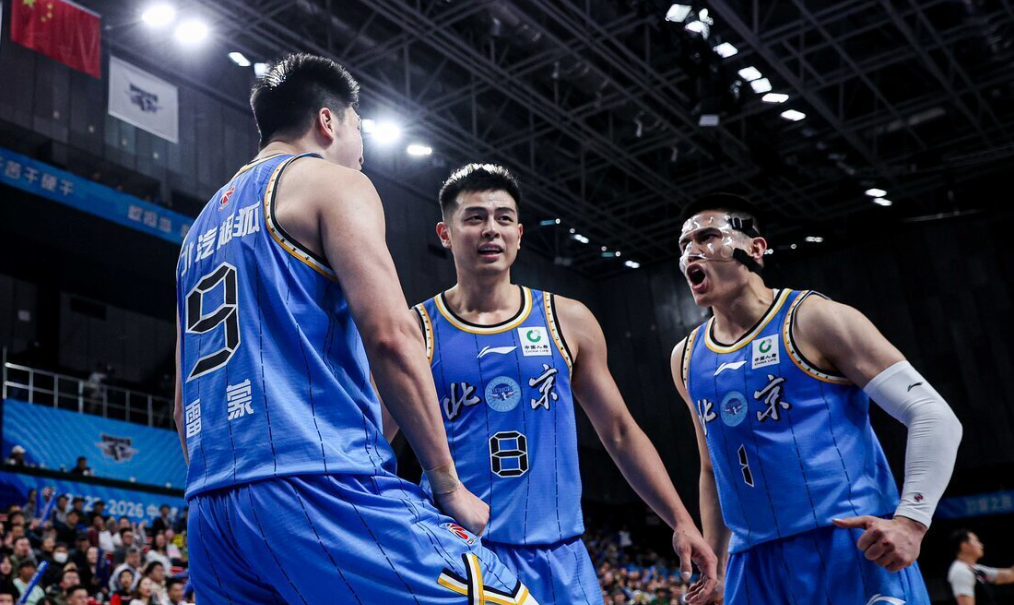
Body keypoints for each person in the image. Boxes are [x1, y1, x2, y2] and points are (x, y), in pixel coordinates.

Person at [174, 52, 538, 604]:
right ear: (329, 121)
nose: (362, 150)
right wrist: (447, 482)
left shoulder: (196, 236)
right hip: (318, 484)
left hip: (210, 509)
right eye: (359, 128)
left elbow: (183, 407)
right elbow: (391, 336)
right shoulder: (332, 183)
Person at [384, 163, 716, 605]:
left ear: (519, 234)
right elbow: (373, 444)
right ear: (445, 233)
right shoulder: (414, 330)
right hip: (461, 556)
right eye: (475, 218)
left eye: (504, 218)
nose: (491, 229)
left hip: (562, 557)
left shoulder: (567, 319)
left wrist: (680, 521)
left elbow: (619, 431)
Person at [668, 194, 963, 604]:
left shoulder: (813, 317)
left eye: (708, 237)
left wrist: (912, 522)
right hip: (753, 564)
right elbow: (711, 468)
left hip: (849, 547)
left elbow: (932, 414)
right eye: (684, 245)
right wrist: (715, 563)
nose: (692, 252)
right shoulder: (685, 357)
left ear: (756, 248)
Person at [947, 529, 1014, 604]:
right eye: (977, 541)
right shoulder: (961, 571)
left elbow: (1011, 575)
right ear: (964, 546)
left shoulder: (976, 569)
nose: (981, 545)